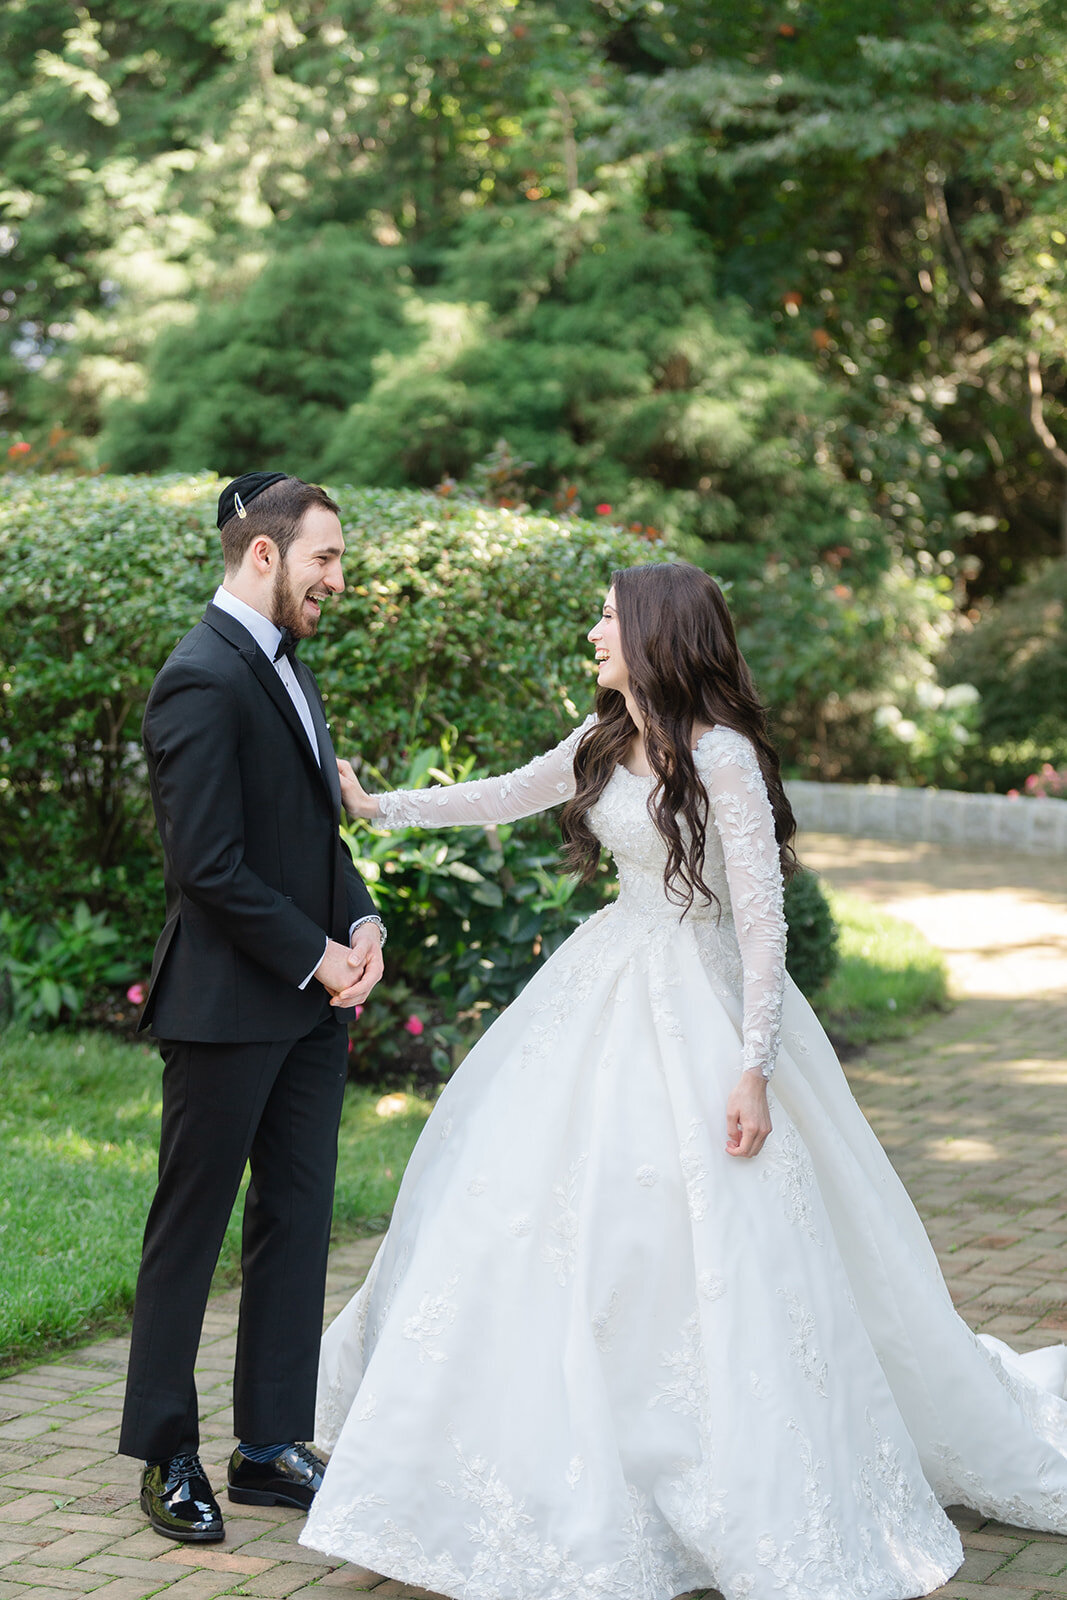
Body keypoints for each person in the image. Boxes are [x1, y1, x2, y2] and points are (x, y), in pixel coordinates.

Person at [300, 562, 1067, 1600]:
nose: (592, 634)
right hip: (608, 978)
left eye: (606, 620)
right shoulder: (605, 741)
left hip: (706, 1006)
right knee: (543, 1212)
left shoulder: (724, 758)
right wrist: (378, 805)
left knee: (722, 1231)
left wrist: (750, 1067)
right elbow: (505, 793)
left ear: (657, 633)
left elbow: (761, 923)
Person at [120, 472, 386, 1544]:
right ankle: (166, 1450)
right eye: (324, 556)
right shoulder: (197, 676)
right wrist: (315, 954)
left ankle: (270, 1445)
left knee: (296, 1222)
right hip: (227, 1008)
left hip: (311, 1008)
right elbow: (209, 867)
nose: (338, 577)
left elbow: (309, 835)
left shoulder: (290, 668)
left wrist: (359, 924)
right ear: (264, 555)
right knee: (189, 1233)